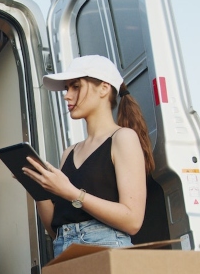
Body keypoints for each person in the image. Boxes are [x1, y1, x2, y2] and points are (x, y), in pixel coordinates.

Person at [23, 55, 155, 258]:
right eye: (67, 89)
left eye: (75, 87)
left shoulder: (123, 138)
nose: (67, 96)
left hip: (107, 249)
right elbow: (55, 230)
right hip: (64, 250)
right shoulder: (69, 152)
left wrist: (72, 193)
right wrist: (37, 188)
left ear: (103, 88)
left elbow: (133, 220)